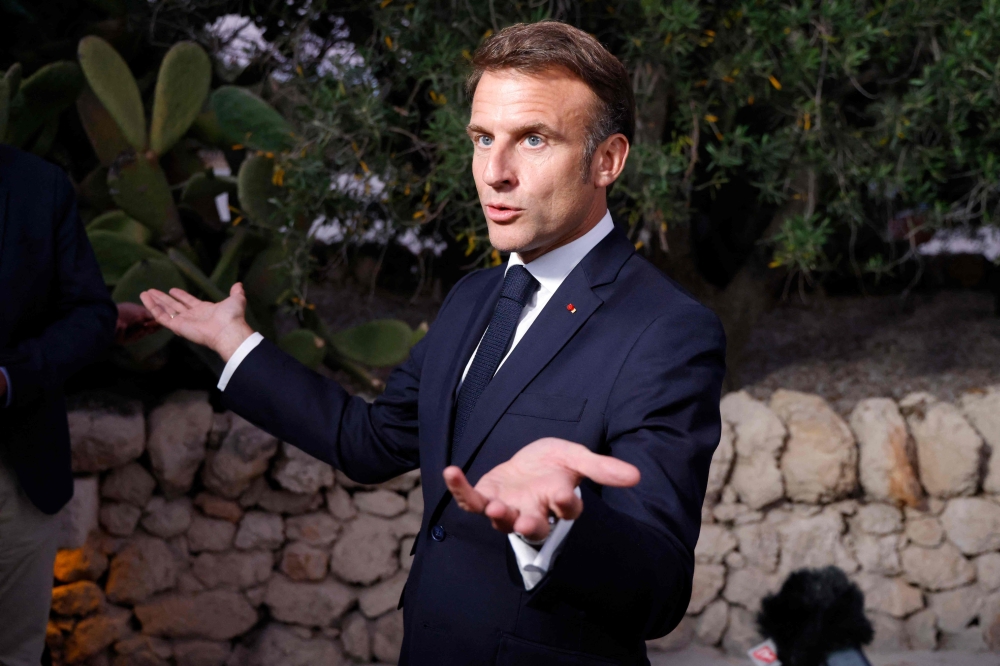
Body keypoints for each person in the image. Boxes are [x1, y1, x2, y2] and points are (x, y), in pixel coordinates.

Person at [141, 21, 726, 666]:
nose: (494, 173)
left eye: (533, 139)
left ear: (607, 160)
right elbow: (368, 443)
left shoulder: (668, 330)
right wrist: (236, 343)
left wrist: (557, 527)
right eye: (482, 139)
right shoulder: (474, 298)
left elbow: (661, 589)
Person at [0, 144, 119, 666]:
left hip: (16, 472)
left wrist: (10, 379)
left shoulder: (38, 184)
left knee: (16, 653)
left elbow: (91, 313)